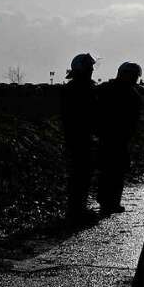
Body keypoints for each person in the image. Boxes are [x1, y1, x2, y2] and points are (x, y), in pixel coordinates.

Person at [96, 61, 142, 215]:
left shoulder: (105, 90)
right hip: (117, 139)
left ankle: (106, 202)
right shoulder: (131, 94)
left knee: (108, 170)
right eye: (134, 76)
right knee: (116, 171)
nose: (136, 79)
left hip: (108, 137)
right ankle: (111, 202)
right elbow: (134, 119)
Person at [60, 53, 98, 226]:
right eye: (89, 68)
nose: (91, 70)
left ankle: (77, 209)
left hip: (78, 137)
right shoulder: (81, 89)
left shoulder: (73, 89)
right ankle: (76, 211)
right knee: (80, 175)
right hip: (79, 137)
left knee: (81, 174)